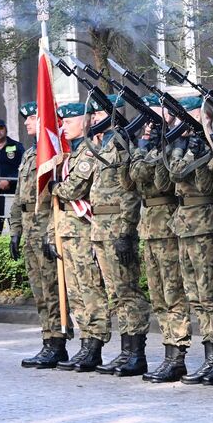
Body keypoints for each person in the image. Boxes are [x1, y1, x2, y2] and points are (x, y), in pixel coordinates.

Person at [165, 96, 213, 386]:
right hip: (184, 225)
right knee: (196, 296)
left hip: (205, 227)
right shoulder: (181, 145)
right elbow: (173, 175)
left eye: (192, 116)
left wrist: (197, 152)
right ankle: (208, 357)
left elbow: (207, 185)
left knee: (210, 295)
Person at [85, 95, 150, 377]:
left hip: (116, 228)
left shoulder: (122, 144)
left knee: (128, 293)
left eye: (99, 113)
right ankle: (126, 351)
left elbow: (129, 191)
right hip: (101, 227)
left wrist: (125, 231)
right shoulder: (104, 144)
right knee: (116, 294)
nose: (94, 118)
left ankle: (136, 353)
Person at [130, 96, 190, 383]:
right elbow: (131, 177)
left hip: (168, 226)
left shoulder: (173, 146)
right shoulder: (151, 146)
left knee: (173, 293)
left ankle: (176, 355)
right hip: (149, 227)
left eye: (155, 118)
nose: (149, 125)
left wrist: (155, 150)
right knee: (157, 295)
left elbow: (164, 181)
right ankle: (168, 351)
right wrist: (144, 148)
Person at [9, 101, 73, 369]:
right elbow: (19, 196)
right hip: (29, 228)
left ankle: (57, 343)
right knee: (38, 289)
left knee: (51, 289)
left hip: (46, 226)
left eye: (32, 117)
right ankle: (47, 339)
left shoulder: (53, 154)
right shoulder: (28, 155)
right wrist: (14, 230)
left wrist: (51, 232)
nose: (26, 123)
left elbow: (57, 198)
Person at [49, 102, 111, 372]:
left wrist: (56, 187)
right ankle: (85, 341)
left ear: (85, 122)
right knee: (75, 291)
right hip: (67, 231)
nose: (63, 126)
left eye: (69, 122)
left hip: (83, 230)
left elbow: (74, 189)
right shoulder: (70, 155)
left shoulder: (88, 152)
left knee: (89, 288)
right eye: (62, 122)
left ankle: (94, 343)